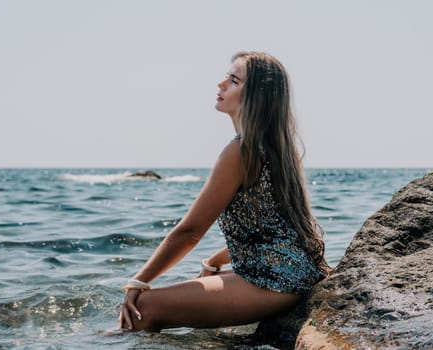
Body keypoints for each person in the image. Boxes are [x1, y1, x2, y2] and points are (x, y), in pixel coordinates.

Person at [117, 51, 331, 332]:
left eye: (233, 80)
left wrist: (138, 282)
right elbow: (269, 232)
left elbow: (190, 232)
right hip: (290, 274)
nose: (220, 84)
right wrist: (216, 260)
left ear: (256, 97)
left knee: (143, 308)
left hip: (276, 283)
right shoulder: (274, 149)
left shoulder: (240, 152)